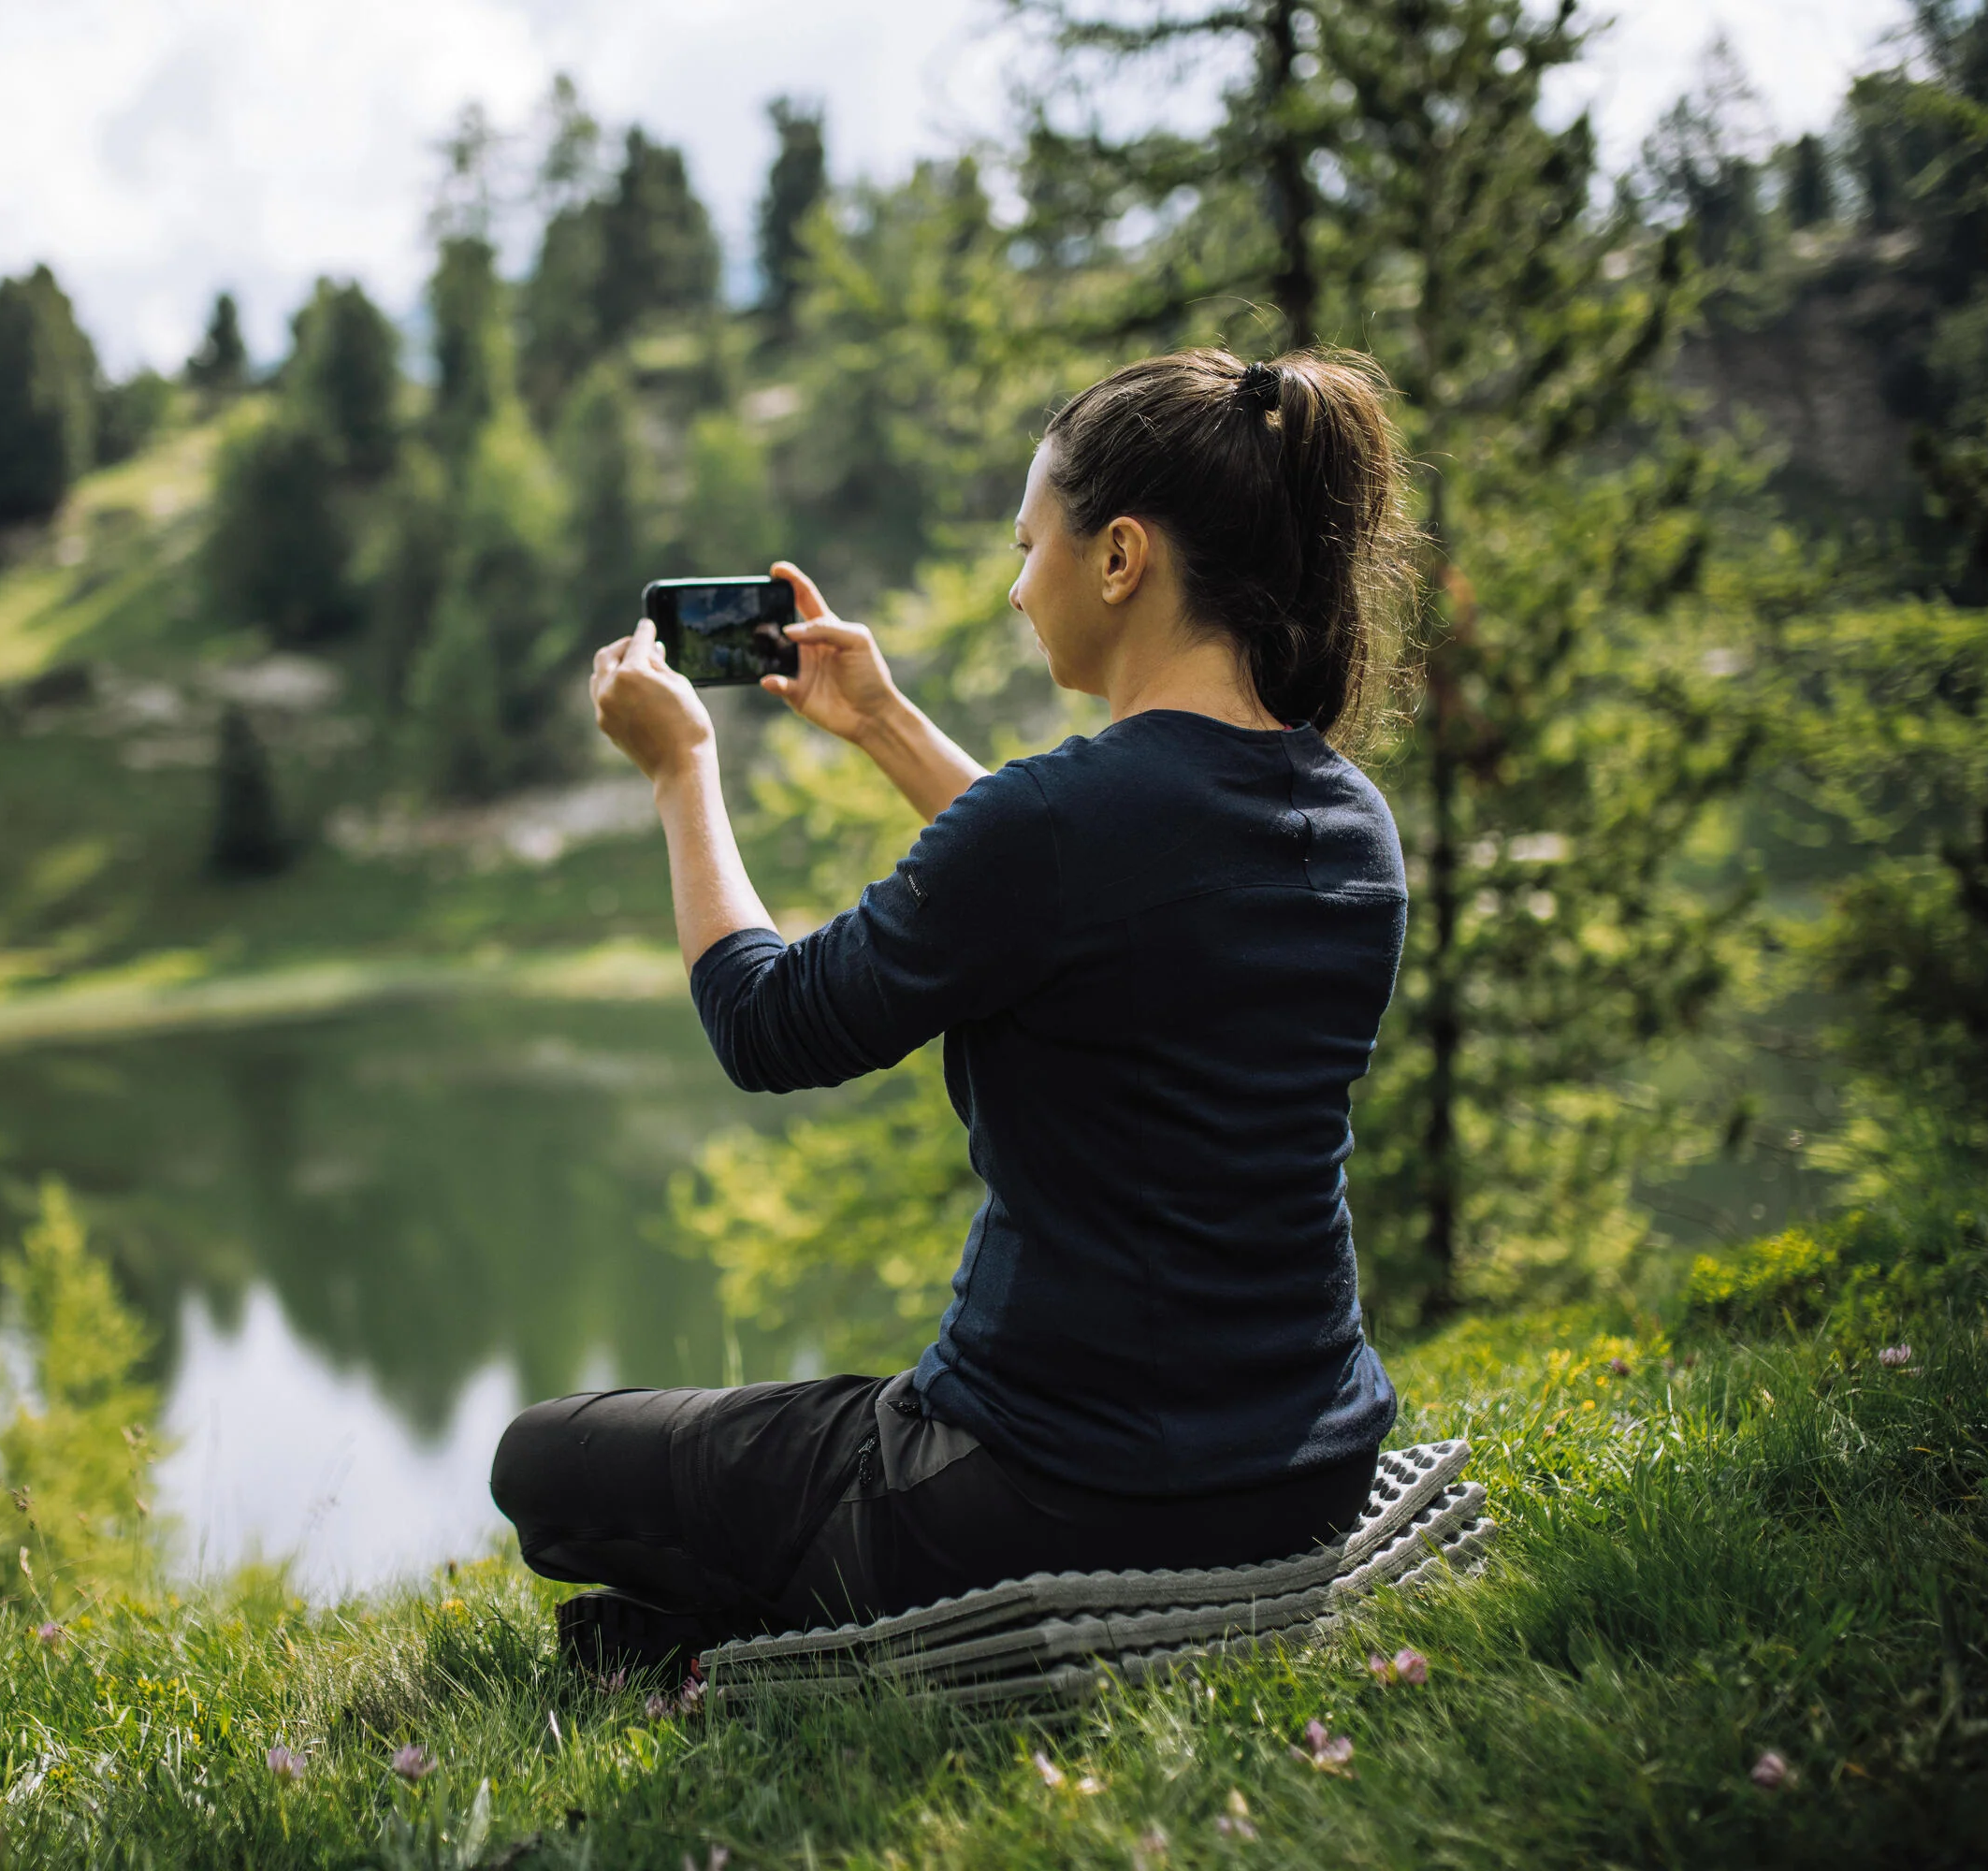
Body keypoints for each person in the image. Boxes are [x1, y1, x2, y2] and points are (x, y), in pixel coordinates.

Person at [491, 348, 1420, 1675]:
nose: (1017, 585)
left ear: (1121, 559)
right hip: (1302, 1472)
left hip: (1052, 1490)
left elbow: (765, 1023)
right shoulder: (1349, 817)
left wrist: (682, 768)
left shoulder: (1058, 822)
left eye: (1030, 545)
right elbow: (1099, 896)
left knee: (543, 1463)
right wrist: (882, 722)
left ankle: (748, 1628)